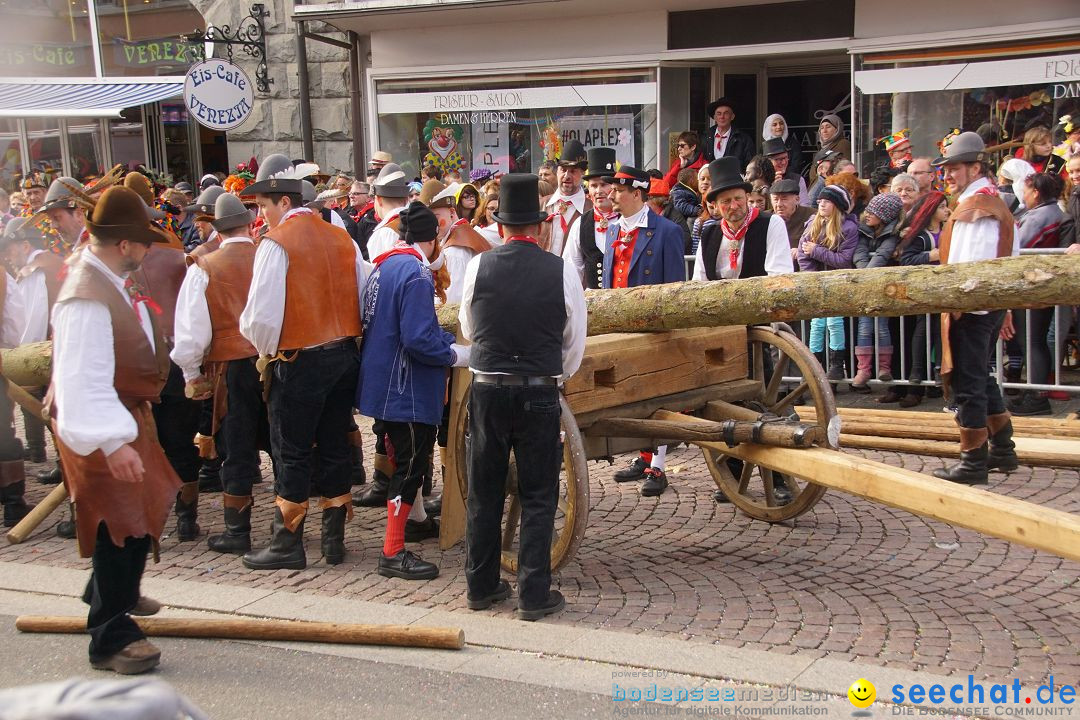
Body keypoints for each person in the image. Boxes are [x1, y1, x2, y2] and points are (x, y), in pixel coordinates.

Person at [49, 185, 181, 674]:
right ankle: (111, 634)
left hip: (122, 413)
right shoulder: (85, 296)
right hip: (101, 418)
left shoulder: (108, 278)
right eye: (143, 242)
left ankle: (110, 590)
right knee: (120, 524)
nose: (148, 249)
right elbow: (81, 378)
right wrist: (111, 440)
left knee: (142, 507)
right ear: (124, 244)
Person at [459, 173, 586, 620]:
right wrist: (555, 374)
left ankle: (481, 585)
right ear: (539, 226)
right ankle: (534, 594)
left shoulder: (480, 265)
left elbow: (470, 328)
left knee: (484, 490)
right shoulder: (561, 270)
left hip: (489, 389)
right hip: (538, 390)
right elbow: (574, 341)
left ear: (503, 224)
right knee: (537, 494)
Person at [239, 154, 367, 569]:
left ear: (279, 200)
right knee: (333, 445)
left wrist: (265, 353)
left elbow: (260, 317)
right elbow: (365, 293)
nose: (261, 214)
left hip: (300, 358)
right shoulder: (340, 237)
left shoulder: (277, 243)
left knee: (291, 450)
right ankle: (333, 540)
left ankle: (287, 544)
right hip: (344, 354)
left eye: (262, 205)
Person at [358, 201, 468, 580]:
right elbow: (418, 338)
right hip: (406, 387)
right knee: (410, 466)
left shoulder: (383, 265)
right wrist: (457, 354)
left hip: (382, 381)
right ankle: (392, 551)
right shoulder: (417, 272)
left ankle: (411, 526)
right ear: (434, 238)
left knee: (402, 461)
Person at [171, 193, 266, 555]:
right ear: (247, 222)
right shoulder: (272, 256)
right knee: (285, 445)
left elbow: (191, 332)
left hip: (231, 370)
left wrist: (192, 373)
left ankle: (237, 531)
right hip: (274, 362)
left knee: (237, 448)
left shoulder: (204, 267)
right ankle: (288, 526)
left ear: (217, 226)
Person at [931, 132, 1019, 485]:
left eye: (955, 168)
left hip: (972, 307)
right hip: (982, 305)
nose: (949, 175)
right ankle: (1003, 449)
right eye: (947, 169)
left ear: (975, 167)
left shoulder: (978, 208)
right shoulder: (983, 201)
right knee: (980, 376)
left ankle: (973, 461)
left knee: (969, 380)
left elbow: (974, 267)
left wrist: (961, 306)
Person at [602, 166, 686, 497]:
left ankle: (659, 466)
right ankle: (643, 456)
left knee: (656, 398)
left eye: (618, 191)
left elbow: (675, 286)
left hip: (652, 328)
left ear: (637, 194)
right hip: (620, 327)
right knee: (633, 396)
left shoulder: (666, 231)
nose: (611, 196)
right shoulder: (611, 231)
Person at [1006, 172, 1071, 417]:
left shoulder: (1042, 215)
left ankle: (1038, 395)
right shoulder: (1049, 212)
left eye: (1026, 190)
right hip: (1038, 284)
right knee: (1033, 340)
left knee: (1032, 341)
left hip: (1035, 284)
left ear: (1035, 192)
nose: (1023, 195)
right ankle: (1035, 391)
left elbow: (1019, 245)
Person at [798, 184, 858, 382]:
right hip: (817, 283)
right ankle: (816, 365)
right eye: (820, 200)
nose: (821, 203)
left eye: (826, 201)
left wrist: (816, 251)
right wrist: (812, 277)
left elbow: (843, 260)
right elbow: (802, 254)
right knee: (817, 324)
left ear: (837, 205)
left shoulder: (848, 228)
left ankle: (836, 365)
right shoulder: (811, 224)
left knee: (834, 322)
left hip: (838, 282)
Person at [897, 191, 949, 407]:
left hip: (945, 290)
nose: (946, 210)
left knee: (940, 332)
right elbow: (906, 259)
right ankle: (917, 375)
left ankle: (938, 372)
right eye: (942, 207)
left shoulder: (949, 229)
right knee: (922, 331)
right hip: (924, 290)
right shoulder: (918, 235)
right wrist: (932, 256)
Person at [851, 192, 904, 393]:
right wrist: (866, 274)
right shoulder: (863, 229)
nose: (868, 214)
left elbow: (883, 254)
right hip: (867, 287)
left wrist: (868, 276)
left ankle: (884, 368)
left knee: (882, 327)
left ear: (885, 215)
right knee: (864, 327)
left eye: (874, 211)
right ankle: (863, 369)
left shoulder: (892, 234)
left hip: (883, 288)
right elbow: (859, 252)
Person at [424, 181, 493, 303]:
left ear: (451, 212)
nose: (430, 225)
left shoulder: (454, 251)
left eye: (435, 217)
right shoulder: (463, 234)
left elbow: (452, 302)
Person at [562, 147, 617, 289]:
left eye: (604, 185)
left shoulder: (627, 220)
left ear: (615, 187)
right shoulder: (580, 224)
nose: (599, 191)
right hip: (592, 305)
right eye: (593, 186)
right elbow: (571, 270)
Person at [541, 140, 590, 257]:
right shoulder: (542, 204)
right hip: (543, 274)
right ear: (557, 172)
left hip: (575, 274)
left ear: (582, 174)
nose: (567, 176)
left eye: (573, 171)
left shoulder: (590, 210)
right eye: (563, 170)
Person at [366, 163, 411, 259]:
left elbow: (381, 272)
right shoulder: (421, 221)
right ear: (406, 199)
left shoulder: (383, 234)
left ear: (379, 200)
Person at [768, 178, 815, 261]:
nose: (779, 204)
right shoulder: (766, 218)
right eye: (775, 199)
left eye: (784, 199)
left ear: (797, 199)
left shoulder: (813, 216)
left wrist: (800, 251)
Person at [700, 97, 753, 170]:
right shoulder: (705, 137)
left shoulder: (744, 139)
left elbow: (750, 165)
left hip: (734, 180)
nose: (722, 117)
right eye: (719, 114)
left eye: (726, 113)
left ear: (732, 117)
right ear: (714, 117)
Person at [648, 178, 691, 253]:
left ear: (655, 200)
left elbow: (683, 241)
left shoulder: (675, 218)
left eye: (646, 199)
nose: (643, 203)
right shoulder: (647, 217)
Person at [182, 185, 227, 257]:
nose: (196, 225)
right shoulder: (243, 242)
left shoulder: (203, 252)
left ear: (213, 217)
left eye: (199, 218)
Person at [762, 138, 809, 204]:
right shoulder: (760, 181)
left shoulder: (798, 180)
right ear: (768, 162)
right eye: (779, 159)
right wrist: (773, 189)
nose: (784, 162)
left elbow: (805, 207)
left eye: (785, 158)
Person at [811, 115, 851, 186]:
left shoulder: (843, 144)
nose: (824, 131)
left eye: (828, 127)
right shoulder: (822, 148)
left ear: (837, 129)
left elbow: (845, 171)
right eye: (822, 128)